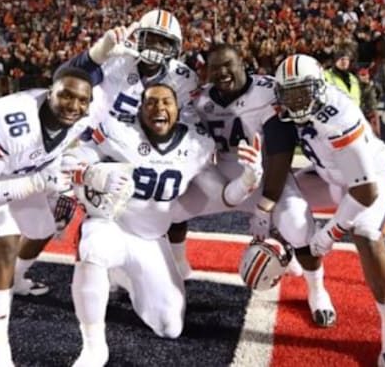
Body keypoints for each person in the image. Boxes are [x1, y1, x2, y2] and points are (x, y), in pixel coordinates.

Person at [66, 83, 264, 367]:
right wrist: (91, 172)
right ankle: (94, 347)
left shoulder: (196, 146)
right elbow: (73, 159)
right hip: (113, 225)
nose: (159, 108)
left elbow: (225, 196)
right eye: (151, 102)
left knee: (170, 327)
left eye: (166, 102)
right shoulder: (119, 131)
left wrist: (248, 179)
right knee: (94, 249)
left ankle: (123, 275)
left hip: (151, 238)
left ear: (177, 109)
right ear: (141, 109)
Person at [0, 67, 112, 366]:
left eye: (81, 100)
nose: (74, 105)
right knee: (4, 243)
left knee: (44, 228)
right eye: (65, 95)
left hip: (25, 169)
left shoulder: (89, 111)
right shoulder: (13, 121)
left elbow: (74, 147)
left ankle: (15, 279)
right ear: (50, 92)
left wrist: (74, 177)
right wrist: (31, 186)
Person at [172, 43, 336, 327]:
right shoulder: (201, 100)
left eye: (228, 65)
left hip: (268, 172)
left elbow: (281, 152)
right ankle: (179, 269)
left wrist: (265, 205)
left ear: (243, 62)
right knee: (170, 208)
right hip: (223, 175)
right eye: (215, 68)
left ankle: (317, 291)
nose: (222, 73)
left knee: (298, 226)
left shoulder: (267, 91)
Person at [275, 54, 385, 367]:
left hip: (378, 176)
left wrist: (331, 231)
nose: (295, 101)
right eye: (289, 93)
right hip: (331, 177)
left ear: (319, 86)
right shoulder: (282, 106)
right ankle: (315, 288)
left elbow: (364, 191)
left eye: (302, 91)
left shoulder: (338, 115)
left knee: (365, 234)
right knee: (276, 196)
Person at [58, 9, 199, 277]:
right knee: (102, 203)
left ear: (175, 48)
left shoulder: (183, 78)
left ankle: (177, 257)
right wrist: (98, 54)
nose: (157, 47)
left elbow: (188, 122)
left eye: (164, 42)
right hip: (103, 143)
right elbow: (68, 78)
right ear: (138, 37)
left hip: (149, 146)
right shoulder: (117, 60)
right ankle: (93, 251)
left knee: (174, 192)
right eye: (151, 38)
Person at [358, 68, 383, 137]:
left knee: (376, 133)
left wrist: (375, 103)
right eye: (362, 75)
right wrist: (369, 86)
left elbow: (380, 94)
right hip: (361, 113)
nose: (364, 77)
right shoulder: (357, 86)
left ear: (368, 75)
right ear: (359, 77)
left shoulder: (375, 85)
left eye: (365, 75)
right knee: (363, 134)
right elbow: (362, 96)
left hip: (372, 111)